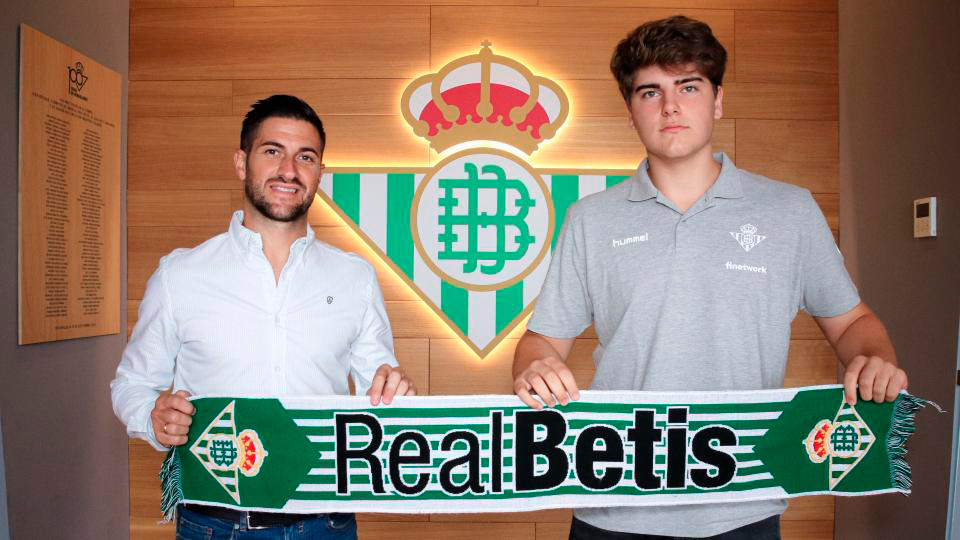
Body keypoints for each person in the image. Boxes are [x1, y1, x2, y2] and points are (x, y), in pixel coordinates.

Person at [511, 16, 908, 540]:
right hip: (611, 503)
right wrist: (535, 366)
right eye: (649, 92)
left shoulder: (789, 211)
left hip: (744, 504)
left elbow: (853, 320)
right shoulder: (591, 218)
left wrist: (876, 357)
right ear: (631, 112)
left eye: (689, 86)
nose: (670, 106)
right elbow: (541, 341)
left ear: (717, 100)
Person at [111, 94, 415, 539]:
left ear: (320, 174)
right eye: (272, 151)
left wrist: (393, 390)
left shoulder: (356, 278)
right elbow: (131, 385)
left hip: (326, 525)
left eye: (305, 157)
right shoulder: (180, 274)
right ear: (241, 162)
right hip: (214, 525)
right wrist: (153, 419)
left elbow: (380, 394)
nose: (289, 171)